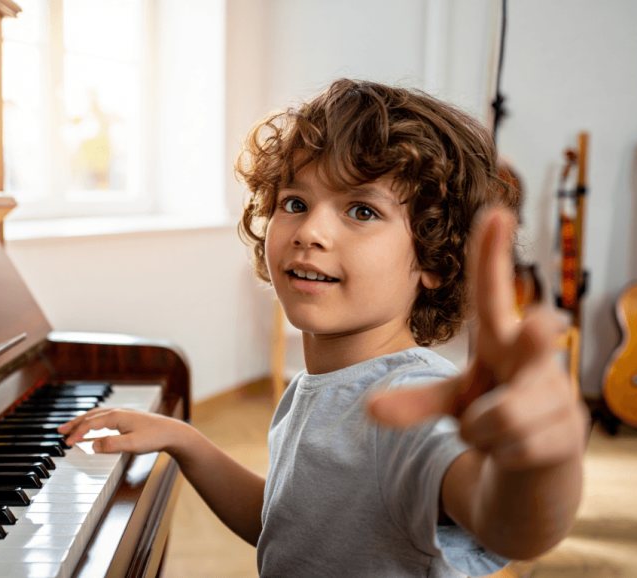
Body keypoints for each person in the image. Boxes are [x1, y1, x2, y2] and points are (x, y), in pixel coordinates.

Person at [59, 79, 588, 577]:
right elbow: (288, 525)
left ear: (432, 256)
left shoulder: (409, 403)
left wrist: (542, 467)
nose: (310, 230)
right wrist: (187, 442)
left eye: (361, 210)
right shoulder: (313, 389)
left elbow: (504, 519)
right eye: (295, 203)